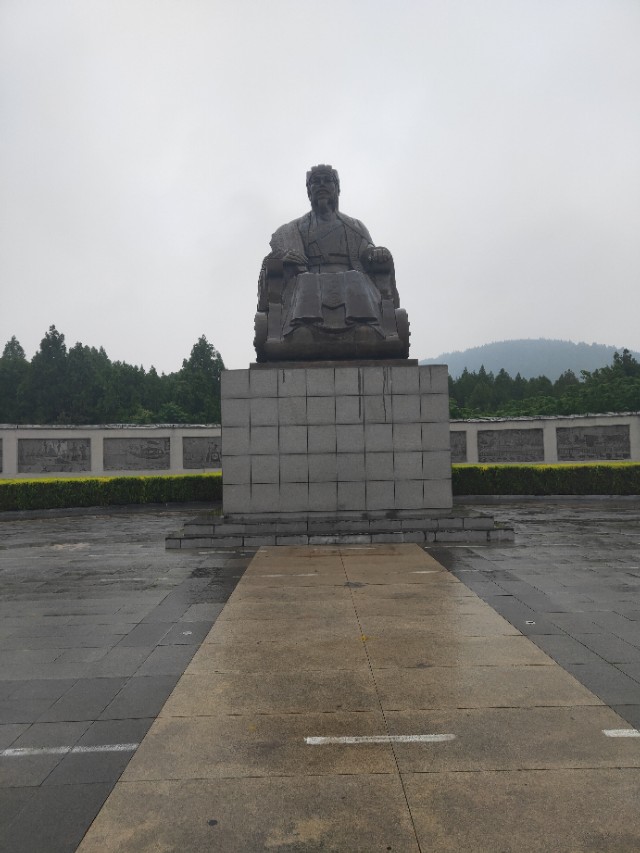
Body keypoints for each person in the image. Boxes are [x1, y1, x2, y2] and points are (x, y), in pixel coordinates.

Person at [254, 164, 409, 361]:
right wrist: (282, 259)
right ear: (308, 191)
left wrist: (377, 253)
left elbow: (367, 252)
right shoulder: (293, 229)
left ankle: (365, 325)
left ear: (337, 188)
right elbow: (271, 261)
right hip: (308, 278)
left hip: (350, 276)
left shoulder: (354, 226)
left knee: (355, 278)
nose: (321, 185)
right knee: (306, 282)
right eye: (315, 182)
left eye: (327, 181)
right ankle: (300, 328)